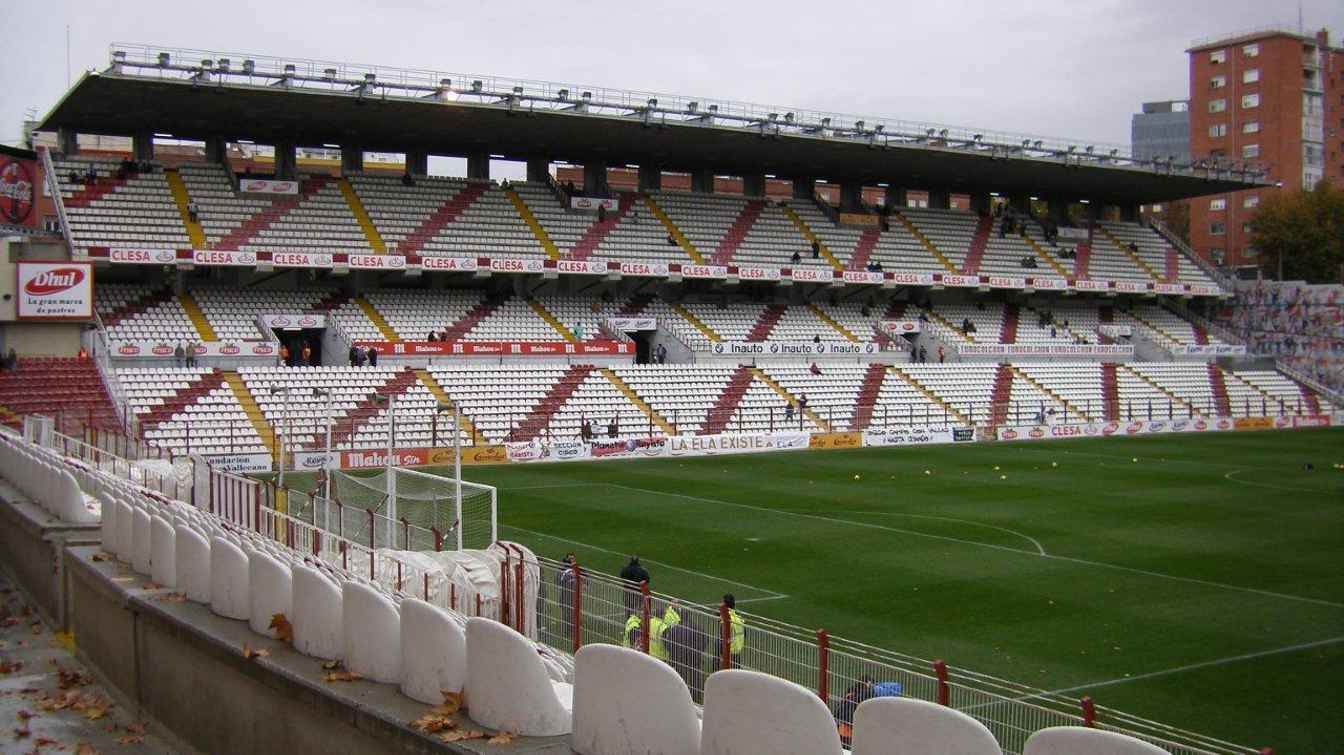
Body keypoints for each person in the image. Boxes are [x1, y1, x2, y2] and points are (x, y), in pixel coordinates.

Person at [664, 612, 709, 702]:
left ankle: (680, 697)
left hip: (679, 658)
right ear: (689, 616)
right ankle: (695, 698)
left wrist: (672, 652)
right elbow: (706, 640)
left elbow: (668, 642)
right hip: (694, 657)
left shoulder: (675, 629)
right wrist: (699, 651)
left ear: (680, 617)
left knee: (680, 678)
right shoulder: (697, 628)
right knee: (695, 678)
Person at [555, 553, 578, 641]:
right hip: (570, 597)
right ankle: (568, 631)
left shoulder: (562, 573)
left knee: (565, 615)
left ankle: (566, 632)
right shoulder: (571, 573)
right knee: (569, 615)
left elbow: (557, 583)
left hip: (564, 596)